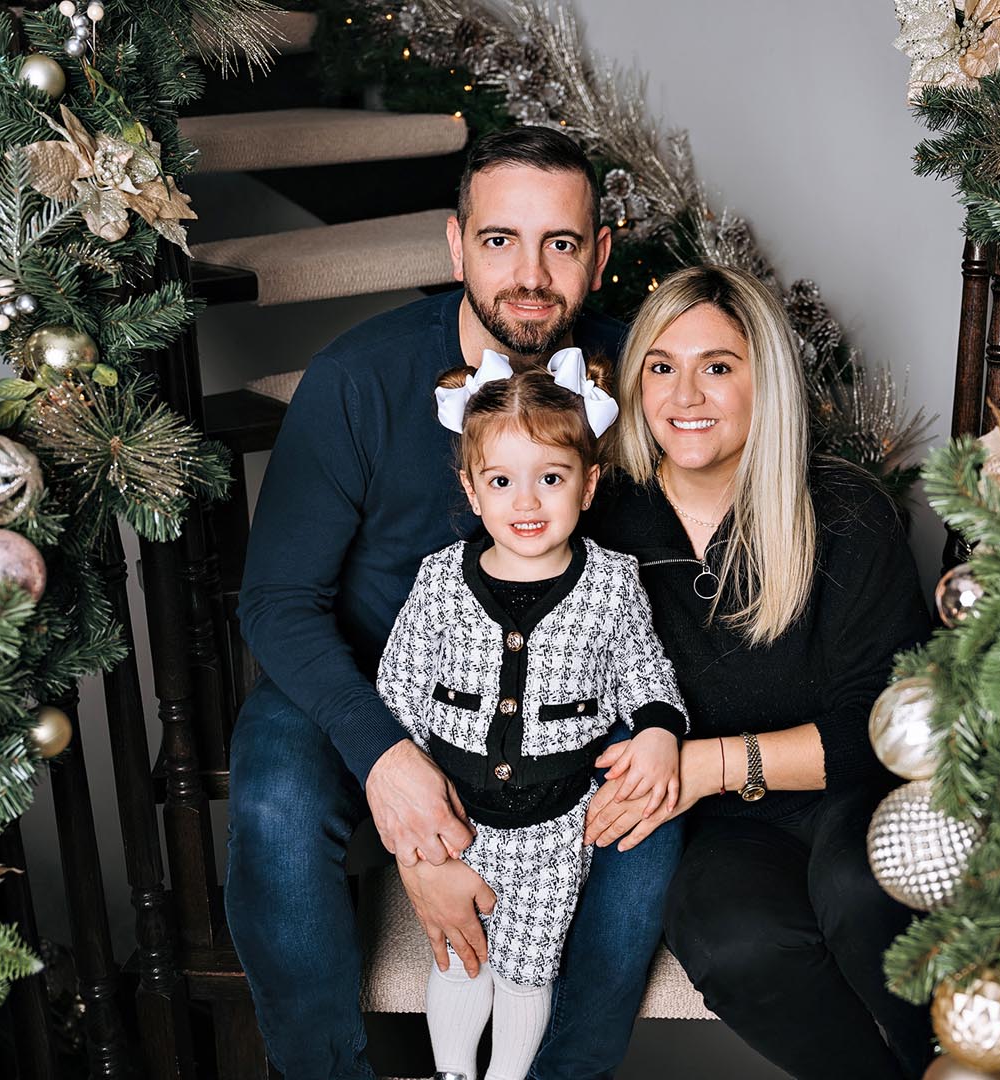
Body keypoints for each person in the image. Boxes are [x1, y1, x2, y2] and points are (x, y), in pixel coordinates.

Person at [227, 125, 682, 1079]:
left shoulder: (642, 377)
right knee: (273, 801)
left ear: (600, 255)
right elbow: (276, 600)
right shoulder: (358, 377)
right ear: (455, 244)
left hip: (564, 694)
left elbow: (664, 579)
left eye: (561, 243)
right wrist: (388, 762)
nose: (530, 275)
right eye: (499, 240)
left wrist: (655, 728)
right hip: (362, 673)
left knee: (650, 820)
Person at [573, 265, 936, 1079]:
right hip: (721, 828)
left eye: (717, 366)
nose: (684, 395)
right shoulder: (600, 523)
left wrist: (706, 763)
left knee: (862, 889)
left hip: (857, 791)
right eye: (660, 366)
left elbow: (885, 724)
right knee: (733, 942)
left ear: (763, 378)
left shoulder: (844, 508)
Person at [377, 350, 686, 1080]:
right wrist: (420, 840)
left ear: (588, 484)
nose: (527, 502)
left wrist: (658, 732)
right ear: (471, 489)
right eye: (501, 481)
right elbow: (399, 691)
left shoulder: (612, 584)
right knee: (460, 958)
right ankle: (453, 1071)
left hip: (556, 828)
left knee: (527, 970)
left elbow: (646, 671)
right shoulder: (440, 582)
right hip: (456, 819)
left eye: (551, 478)